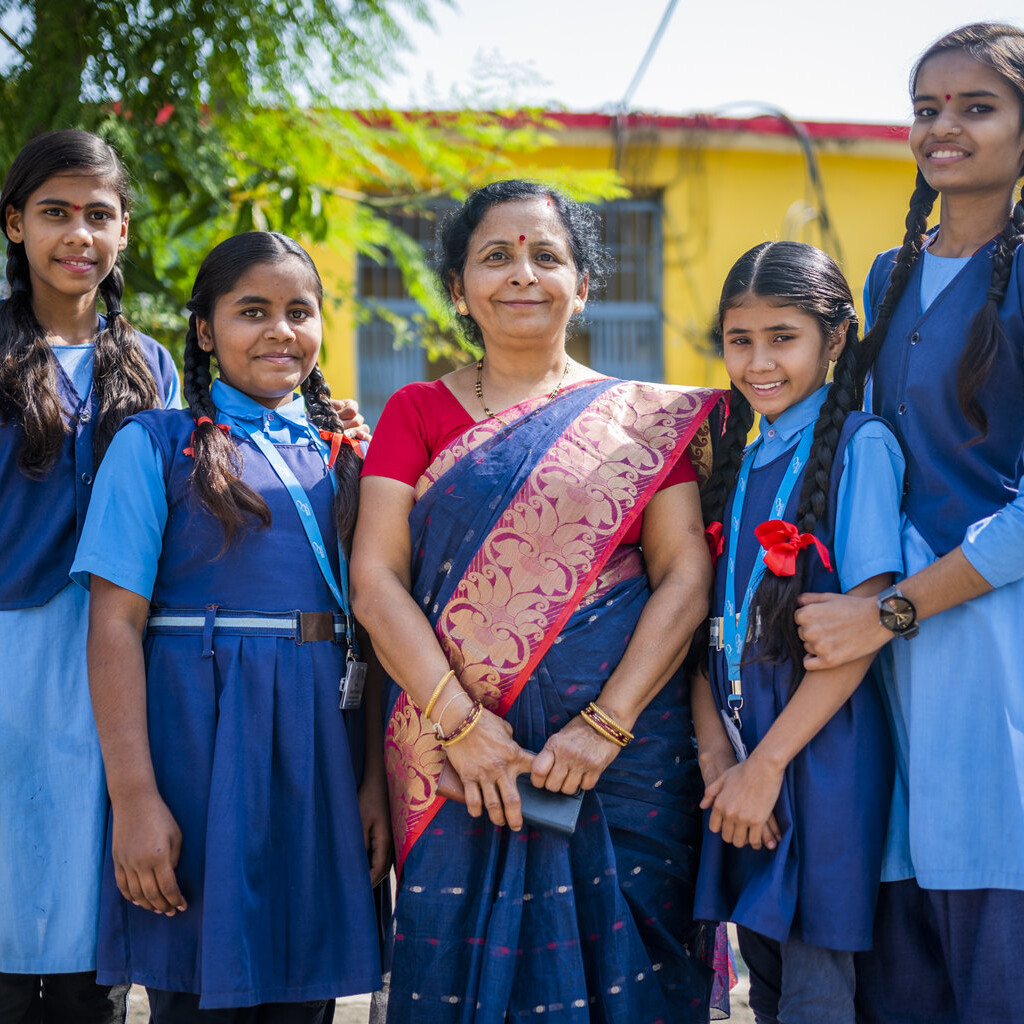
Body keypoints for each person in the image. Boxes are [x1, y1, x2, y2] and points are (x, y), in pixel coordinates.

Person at [351, 179, 727, 1023]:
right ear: (459, 290)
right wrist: (461, 723)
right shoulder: (416, 412)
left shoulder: (643, 420)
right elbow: (375, 583)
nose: (522, 273)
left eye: (545, 255)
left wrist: (603, 729)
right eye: (495, 256)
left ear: (582, 284)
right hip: (455, 764)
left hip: (621, 765)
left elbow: (684, 580)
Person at [70, 231, 389, 1021]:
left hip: (323, 735)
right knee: (198, 981)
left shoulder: (350, 452)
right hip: (201, 740)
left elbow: (379, 629)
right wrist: (136, 798)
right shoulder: (155, 444)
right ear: (206, 331)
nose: (281, 331)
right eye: (253, 311)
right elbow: (113, 626)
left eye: (299, 311)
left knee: (306, 987)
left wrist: (376, 782)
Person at [792, 23, 1024, 1024]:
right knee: (898, 952)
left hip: (987, 645)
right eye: (926, 108)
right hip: (875, 662)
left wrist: (892, 608)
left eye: (977, 107)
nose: (943, 128)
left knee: (992, 932)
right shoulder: (884, 277)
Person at [691, 242, 905, 1024]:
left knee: (818, 990)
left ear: (835, 338)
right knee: (769, 980)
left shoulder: (862, 445)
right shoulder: (740, 459)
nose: (758, 362)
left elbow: (860, 633)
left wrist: (768, 764)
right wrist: (722, 758)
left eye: (782, 337)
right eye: (739, 339)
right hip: (744, 758)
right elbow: (707, 626)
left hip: (820, 757)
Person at [0, 129, 179, 1024]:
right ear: (15, 226)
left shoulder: (152, 365)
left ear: (122, 232)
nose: (78, 235)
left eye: (98, 215)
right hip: (9, 654)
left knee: (87, 892)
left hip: (113, 656)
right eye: (55, 213)